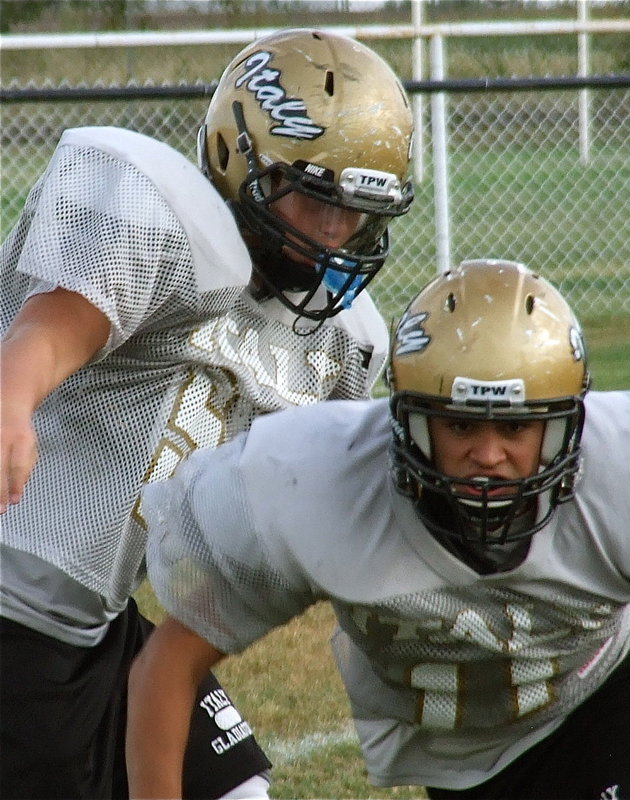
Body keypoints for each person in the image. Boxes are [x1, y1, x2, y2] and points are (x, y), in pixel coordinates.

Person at [127, 259, 630, 800]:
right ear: (409, 422)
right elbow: (170, 663)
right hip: (469, 769)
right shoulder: (317, 484)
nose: (488, 455)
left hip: (616, 697)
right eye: (459, 427)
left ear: (563, 427)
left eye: (513, 429)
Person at [0, 27, 414, 800]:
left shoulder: (338, 341)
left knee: (237, 793)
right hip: (12, 612)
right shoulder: (161, 220)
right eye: (314, 197)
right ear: (239, 161)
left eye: (354, 211)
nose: (331, 231)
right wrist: (10, 402)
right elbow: (48, 330)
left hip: (95, 626)